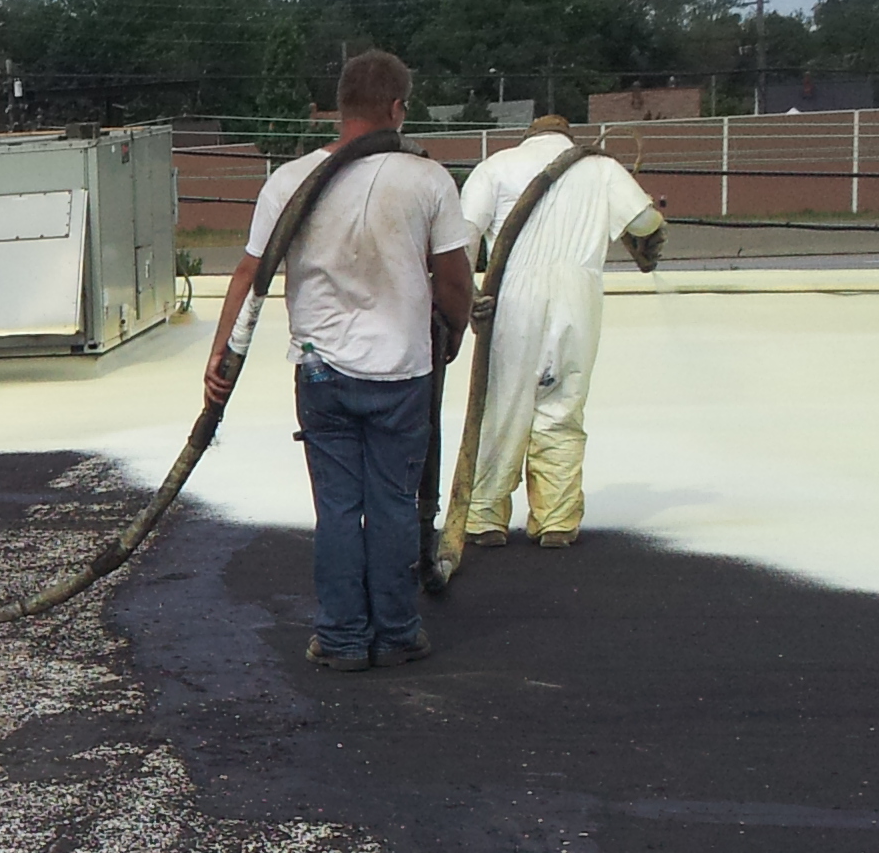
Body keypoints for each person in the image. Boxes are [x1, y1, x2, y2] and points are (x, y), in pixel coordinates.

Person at [201, 50, 472, 673]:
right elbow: (455, 280)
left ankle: (343, 638)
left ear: (339, 107)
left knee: (339, 510)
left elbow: (249, 271)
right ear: (397, 108)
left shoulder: (288, 181)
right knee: (395, 505)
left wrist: (221, 353)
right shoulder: (428, 180)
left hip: (321, 372)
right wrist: (454, 330)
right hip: (402, 374)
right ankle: (397, 633)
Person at [453, 113, 666, 549]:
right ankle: (557, 520)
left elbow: (463, 237)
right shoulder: (601, 167)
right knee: (563, 405)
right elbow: (646, 222)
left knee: (503, 404)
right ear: (568, 138)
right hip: (578, 297)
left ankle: (484, 516)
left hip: (511, 297)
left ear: (529, 136)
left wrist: (469, 295)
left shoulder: (496, 166)